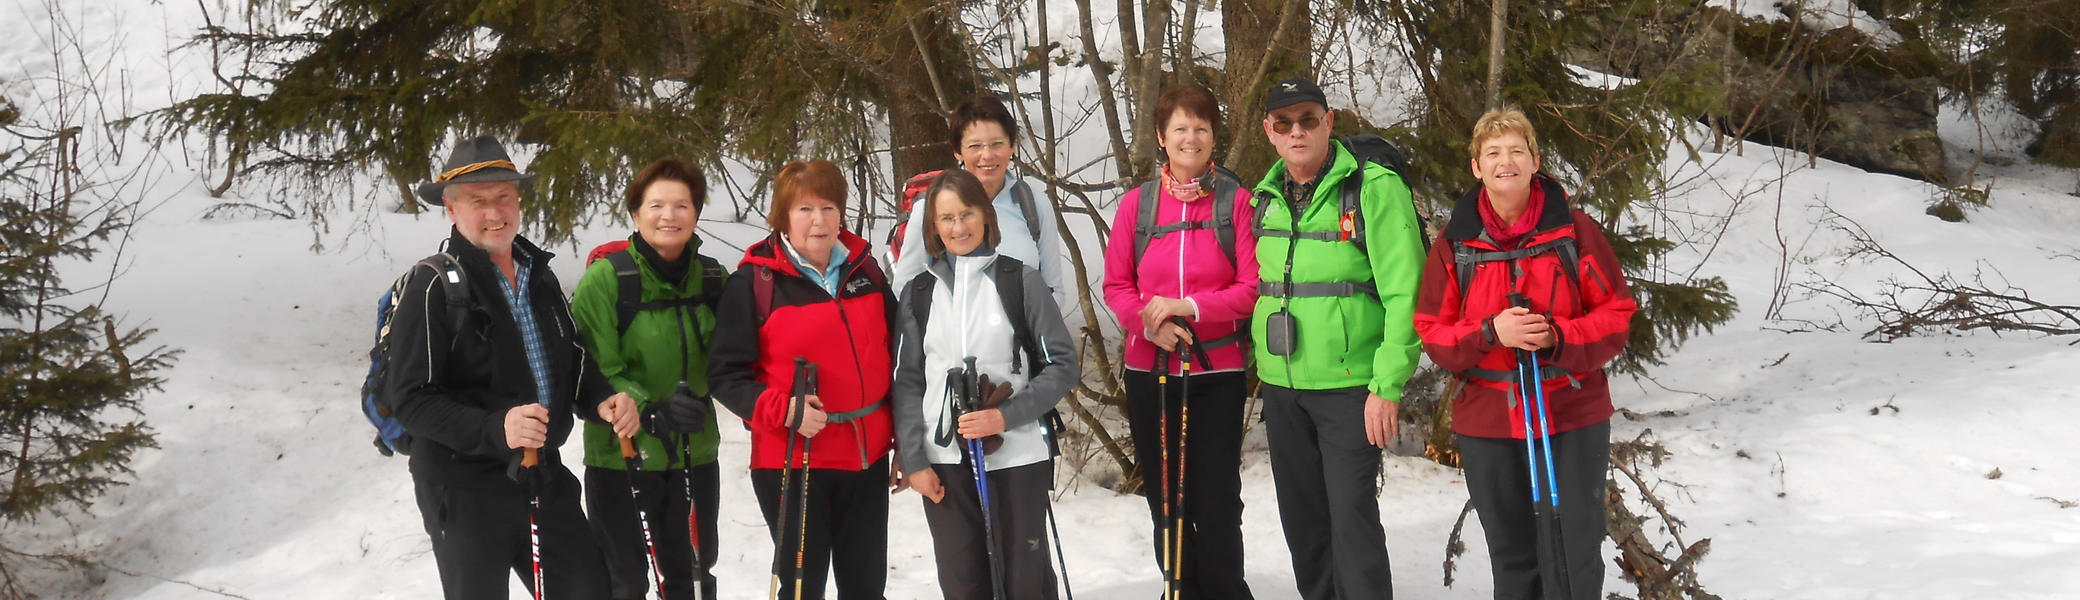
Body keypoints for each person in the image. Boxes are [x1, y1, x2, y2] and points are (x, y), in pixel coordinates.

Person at [381, 134, 632, 600]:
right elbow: (411, 401)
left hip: (543, 475)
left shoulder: (539, 273)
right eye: (478, 201)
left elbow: (572, 360)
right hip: (463, 488)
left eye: (503, 197)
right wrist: (497, 427)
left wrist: (602, 399)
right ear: (451, 210)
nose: (494, 212)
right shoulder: (433, 286)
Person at [1414, 109, 1636, 600]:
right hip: (1490, 419)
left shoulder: (1573, 232)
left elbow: (1616, 314)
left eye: (1516, 150)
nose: (1505, 161)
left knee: (1575, 552)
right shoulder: (1456, 245)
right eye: (1493, 153)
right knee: (1513, 556)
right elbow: (1434, 331)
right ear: (1477, 167)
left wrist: (1558, 336)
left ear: (1536, 161)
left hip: (1570, 412)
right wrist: (1492, 331)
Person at [1247, 78, 1426, 600]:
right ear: (1269, 132)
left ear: (1329, 121)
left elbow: (1406, 293)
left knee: (1351, 521)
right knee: (1304, 524)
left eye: (1308, 118)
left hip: (1352, 388)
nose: (1297, 130)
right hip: (1282, 387)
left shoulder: (1371, 187)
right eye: (1284, 122)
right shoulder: (1265, 198)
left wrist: (1387, 384)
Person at [708, 159, 898, 600]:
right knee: (800, 589)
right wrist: (785, 410)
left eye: (829, 207)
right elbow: (724, 374)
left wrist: (905, 439)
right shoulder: (756, 283)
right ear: (783, 218)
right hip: (793, 459)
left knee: (867, 587)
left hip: (865, 456)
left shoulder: (865, 273)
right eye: (804, 209)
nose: (819, 220)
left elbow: (898, 360)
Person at [1100, 84, 1260, 600]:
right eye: (1180, 129)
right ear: (1160, 138)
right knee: (1165, 497)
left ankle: (1225, 589)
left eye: (1201, 128)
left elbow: (1252, 289)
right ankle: (1181, 588)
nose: (1191, 138)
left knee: (1215, 498)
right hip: (1151, 372)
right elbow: (1116, 286)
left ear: (1214, 135)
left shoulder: (1237, 203)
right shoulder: (1136, 207)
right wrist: (1148, 323)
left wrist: (1188, 308)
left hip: (1217, 371)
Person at [891, 169, 1079, 600]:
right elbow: (907, 381)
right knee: (964, 582)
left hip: (1017, 456)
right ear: (933, 228)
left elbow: (1062, 365)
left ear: (986, 214)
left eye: (967, 213)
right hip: (945, 461)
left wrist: (1003, 416)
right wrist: (916, 459)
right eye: (946, 218)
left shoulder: (1021, 280)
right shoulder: (919, 293)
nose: (959, 227)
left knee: (1023, 580)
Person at [570, 157, 726, 600]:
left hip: (695, 452)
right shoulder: (607, 281)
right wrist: (648, 408)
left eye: (682, 205)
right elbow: (594, 368)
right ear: (636, 213)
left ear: (696, 213)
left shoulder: (714, 278)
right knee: (626, 581)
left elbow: (735, 358)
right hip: (621, 457)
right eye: (656, 204)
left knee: (692, 577)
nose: (669, 216)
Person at [891, 95, 1070, 310]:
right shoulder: (931, 207)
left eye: (997, 144)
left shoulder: (1033, 204)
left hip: (1023, 340)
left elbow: (1053, 289)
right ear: (958, 151)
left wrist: (1033, 328)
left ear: (1012, 146)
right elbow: (905, 290)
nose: (987, 155)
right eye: (975, 146)